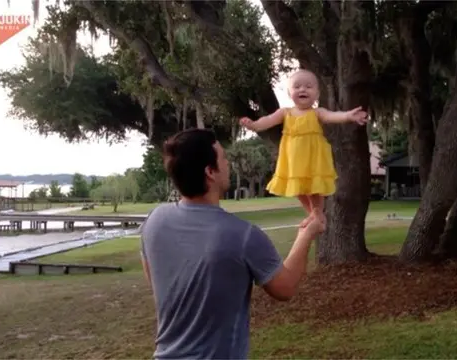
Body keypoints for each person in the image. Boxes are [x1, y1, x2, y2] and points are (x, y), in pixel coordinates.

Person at [140, 128, 325, 359]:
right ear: (210, 172)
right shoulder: (242, 235)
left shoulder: (153, 221)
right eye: (223, 158)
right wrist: (306, 235)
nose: (228, 164)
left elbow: (157, 281)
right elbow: (285, 288)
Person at [239, 69, 368, 227]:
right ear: (289, 92)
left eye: (308, 86)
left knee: (314, 186)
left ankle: (317, 213)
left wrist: (348, 116)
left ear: (317, 93)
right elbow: (267, 121)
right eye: (297, 86)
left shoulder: (317, 112)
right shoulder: (285, 113)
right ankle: (314, 214)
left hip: (313, 157)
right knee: (297, 188)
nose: (302, 89)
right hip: (293, 159)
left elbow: (332, 116)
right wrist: (253, 125)